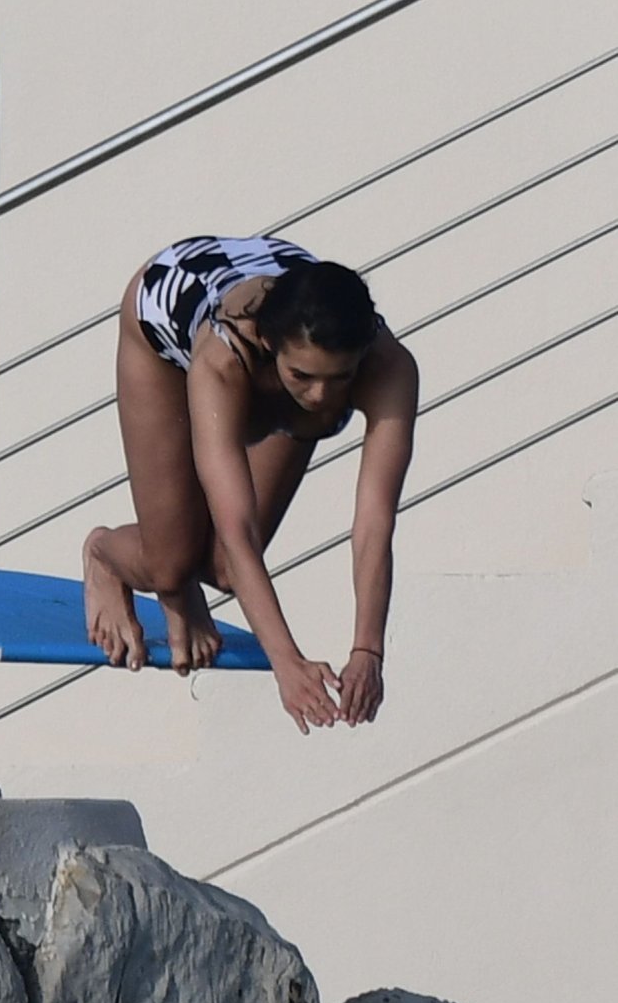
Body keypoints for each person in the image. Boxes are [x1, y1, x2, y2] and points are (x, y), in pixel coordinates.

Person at [83, 233, 418, 735]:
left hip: (286, 296)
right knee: (171, 563)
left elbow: (374, 524)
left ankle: (182, 584)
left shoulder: (390, 367)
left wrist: (368, 650)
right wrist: (286, 662)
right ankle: (104, 554)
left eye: (340, 377)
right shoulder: (224, 357)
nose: (321, 393)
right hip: (169, 305)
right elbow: (236, 525)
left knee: (223, 569)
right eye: (302, 375)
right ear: (270, 344)